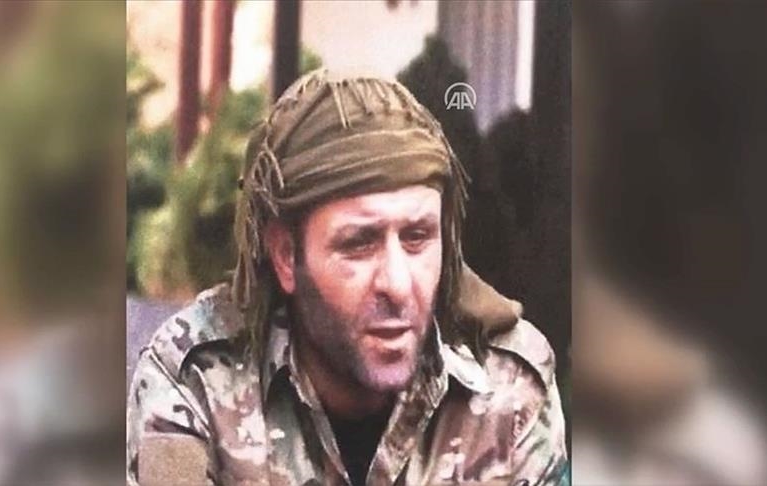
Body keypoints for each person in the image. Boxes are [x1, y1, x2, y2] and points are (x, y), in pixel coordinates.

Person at [126, 69, 568, 486]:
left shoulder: (511, 385)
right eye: (359, 243)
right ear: (286, 256)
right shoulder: (194, 380)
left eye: (417, 238)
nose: (398, 284)